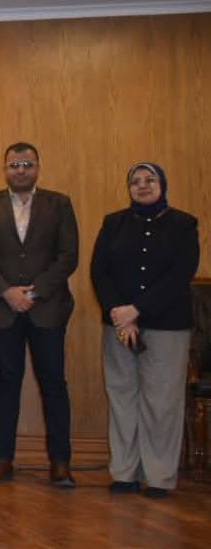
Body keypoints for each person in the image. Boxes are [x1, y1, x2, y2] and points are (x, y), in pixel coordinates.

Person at [0, 142, 79, 487]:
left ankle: (60, 463)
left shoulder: (59, 204)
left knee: (54, 385)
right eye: (14, 165)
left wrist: (33, 292)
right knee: (7, 384)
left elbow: (68, 255)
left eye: (27, 164)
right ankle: (2, 460)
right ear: (5, 169)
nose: (21, 170)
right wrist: (7, 292)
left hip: (47, 309)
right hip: (2, 310)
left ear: (37, 168)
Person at [90, 162, 200, 499]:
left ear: (162, 184)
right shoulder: (113, 223)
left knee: (161, 402)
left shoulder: (183, 224)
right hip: (119, 327)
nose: (142, 185)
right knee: (122, 397)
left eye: (150, 180)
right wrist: (120, 313)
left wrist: (136, 310)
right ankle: (124, 472)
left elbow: (181, 274)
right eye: (135, 181)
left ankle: (158, 477)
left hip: (167, 326)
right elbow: (99, 271)